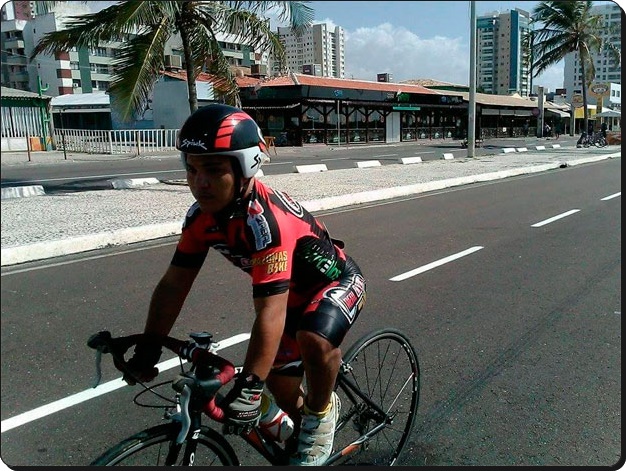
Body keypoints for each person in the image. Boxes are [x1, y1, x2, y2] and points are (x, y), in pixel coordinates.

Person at [117, 104, 367, 466]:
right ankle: (304, 429)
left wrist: (249, 388)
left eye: (214, 170)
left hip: (336, 284)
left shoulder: (266, 221)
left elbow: (269, 312)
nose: (199, 183)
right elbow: (174, 286)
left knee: (311, 340)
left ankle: (322, 412)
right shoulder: (200, 217)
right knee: (282, 391)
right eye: (192, 169)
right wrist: (148, 347)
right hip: (289, 301)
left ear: (247, 167)